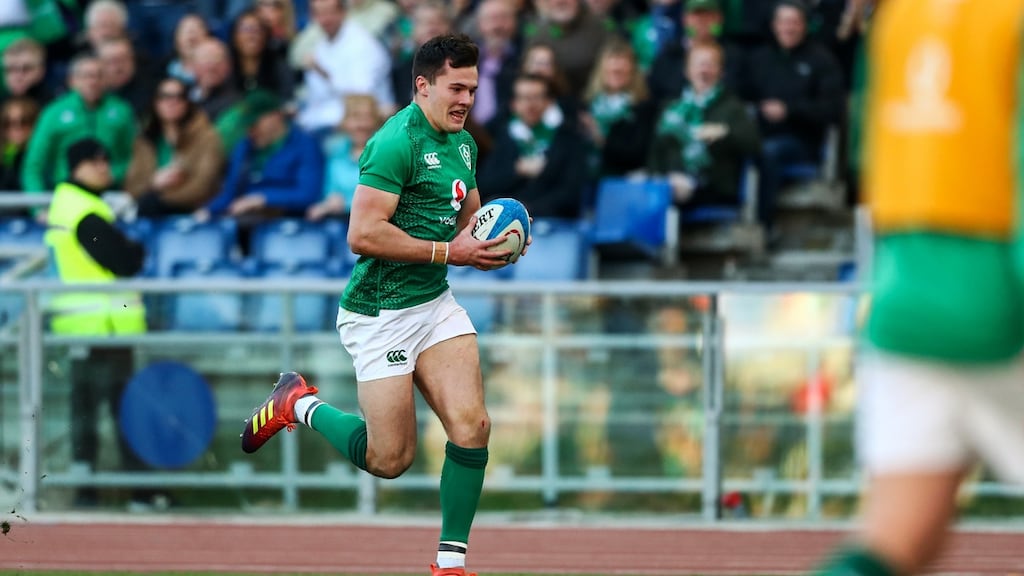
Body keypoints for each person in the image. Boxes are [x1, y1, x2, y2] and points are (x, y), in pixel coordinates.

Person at [240, 33, 524, 576]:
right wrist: (452, 251)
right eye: (456, 87)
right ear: (423, 86)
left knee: (474, 426)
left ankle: (449, 564)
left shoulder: (463, 142)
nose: (466, 99)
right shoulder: (396, 142)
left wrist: (494, 240)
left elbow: (469, 216)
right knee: (389, 460)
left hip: (433, 302)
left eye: (473, 88)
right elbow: (362, 233)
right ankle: (296, 403)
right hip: (380, 312)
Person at [812, 1, 1024, 575]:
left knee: (896, 542)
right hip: (1000, 291)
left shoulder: (899, 18)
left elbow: (870, 154)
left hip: (906, 294)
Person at [43, 137, 148, 508]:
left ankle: (89, 489)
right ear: (77, 167)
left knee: (88, 412)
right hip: (102, 328)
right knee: (120, 412)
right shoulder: (83, 210)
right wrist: (136, 247)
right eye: (95, 161)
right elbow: (126, 261)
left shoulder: (70, 205)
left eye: (106, 160)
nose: (105, 167)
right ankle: (136, 491)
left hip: (89, 328)